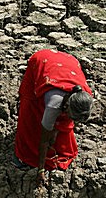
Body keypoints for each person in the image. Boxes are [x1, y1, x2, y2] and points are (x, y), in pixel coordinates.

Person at [13, 49, 94, 186]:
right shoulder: (54, 104)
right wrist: (40, 170)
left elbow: (65, 121)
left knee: (60, 130)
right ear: (66, 107)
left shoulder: (84, 96)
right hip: (40, 62)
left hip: (67, 64)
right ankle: (23, 155)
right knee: (31, 118)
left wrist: (56, 132)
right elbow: (44, 140)